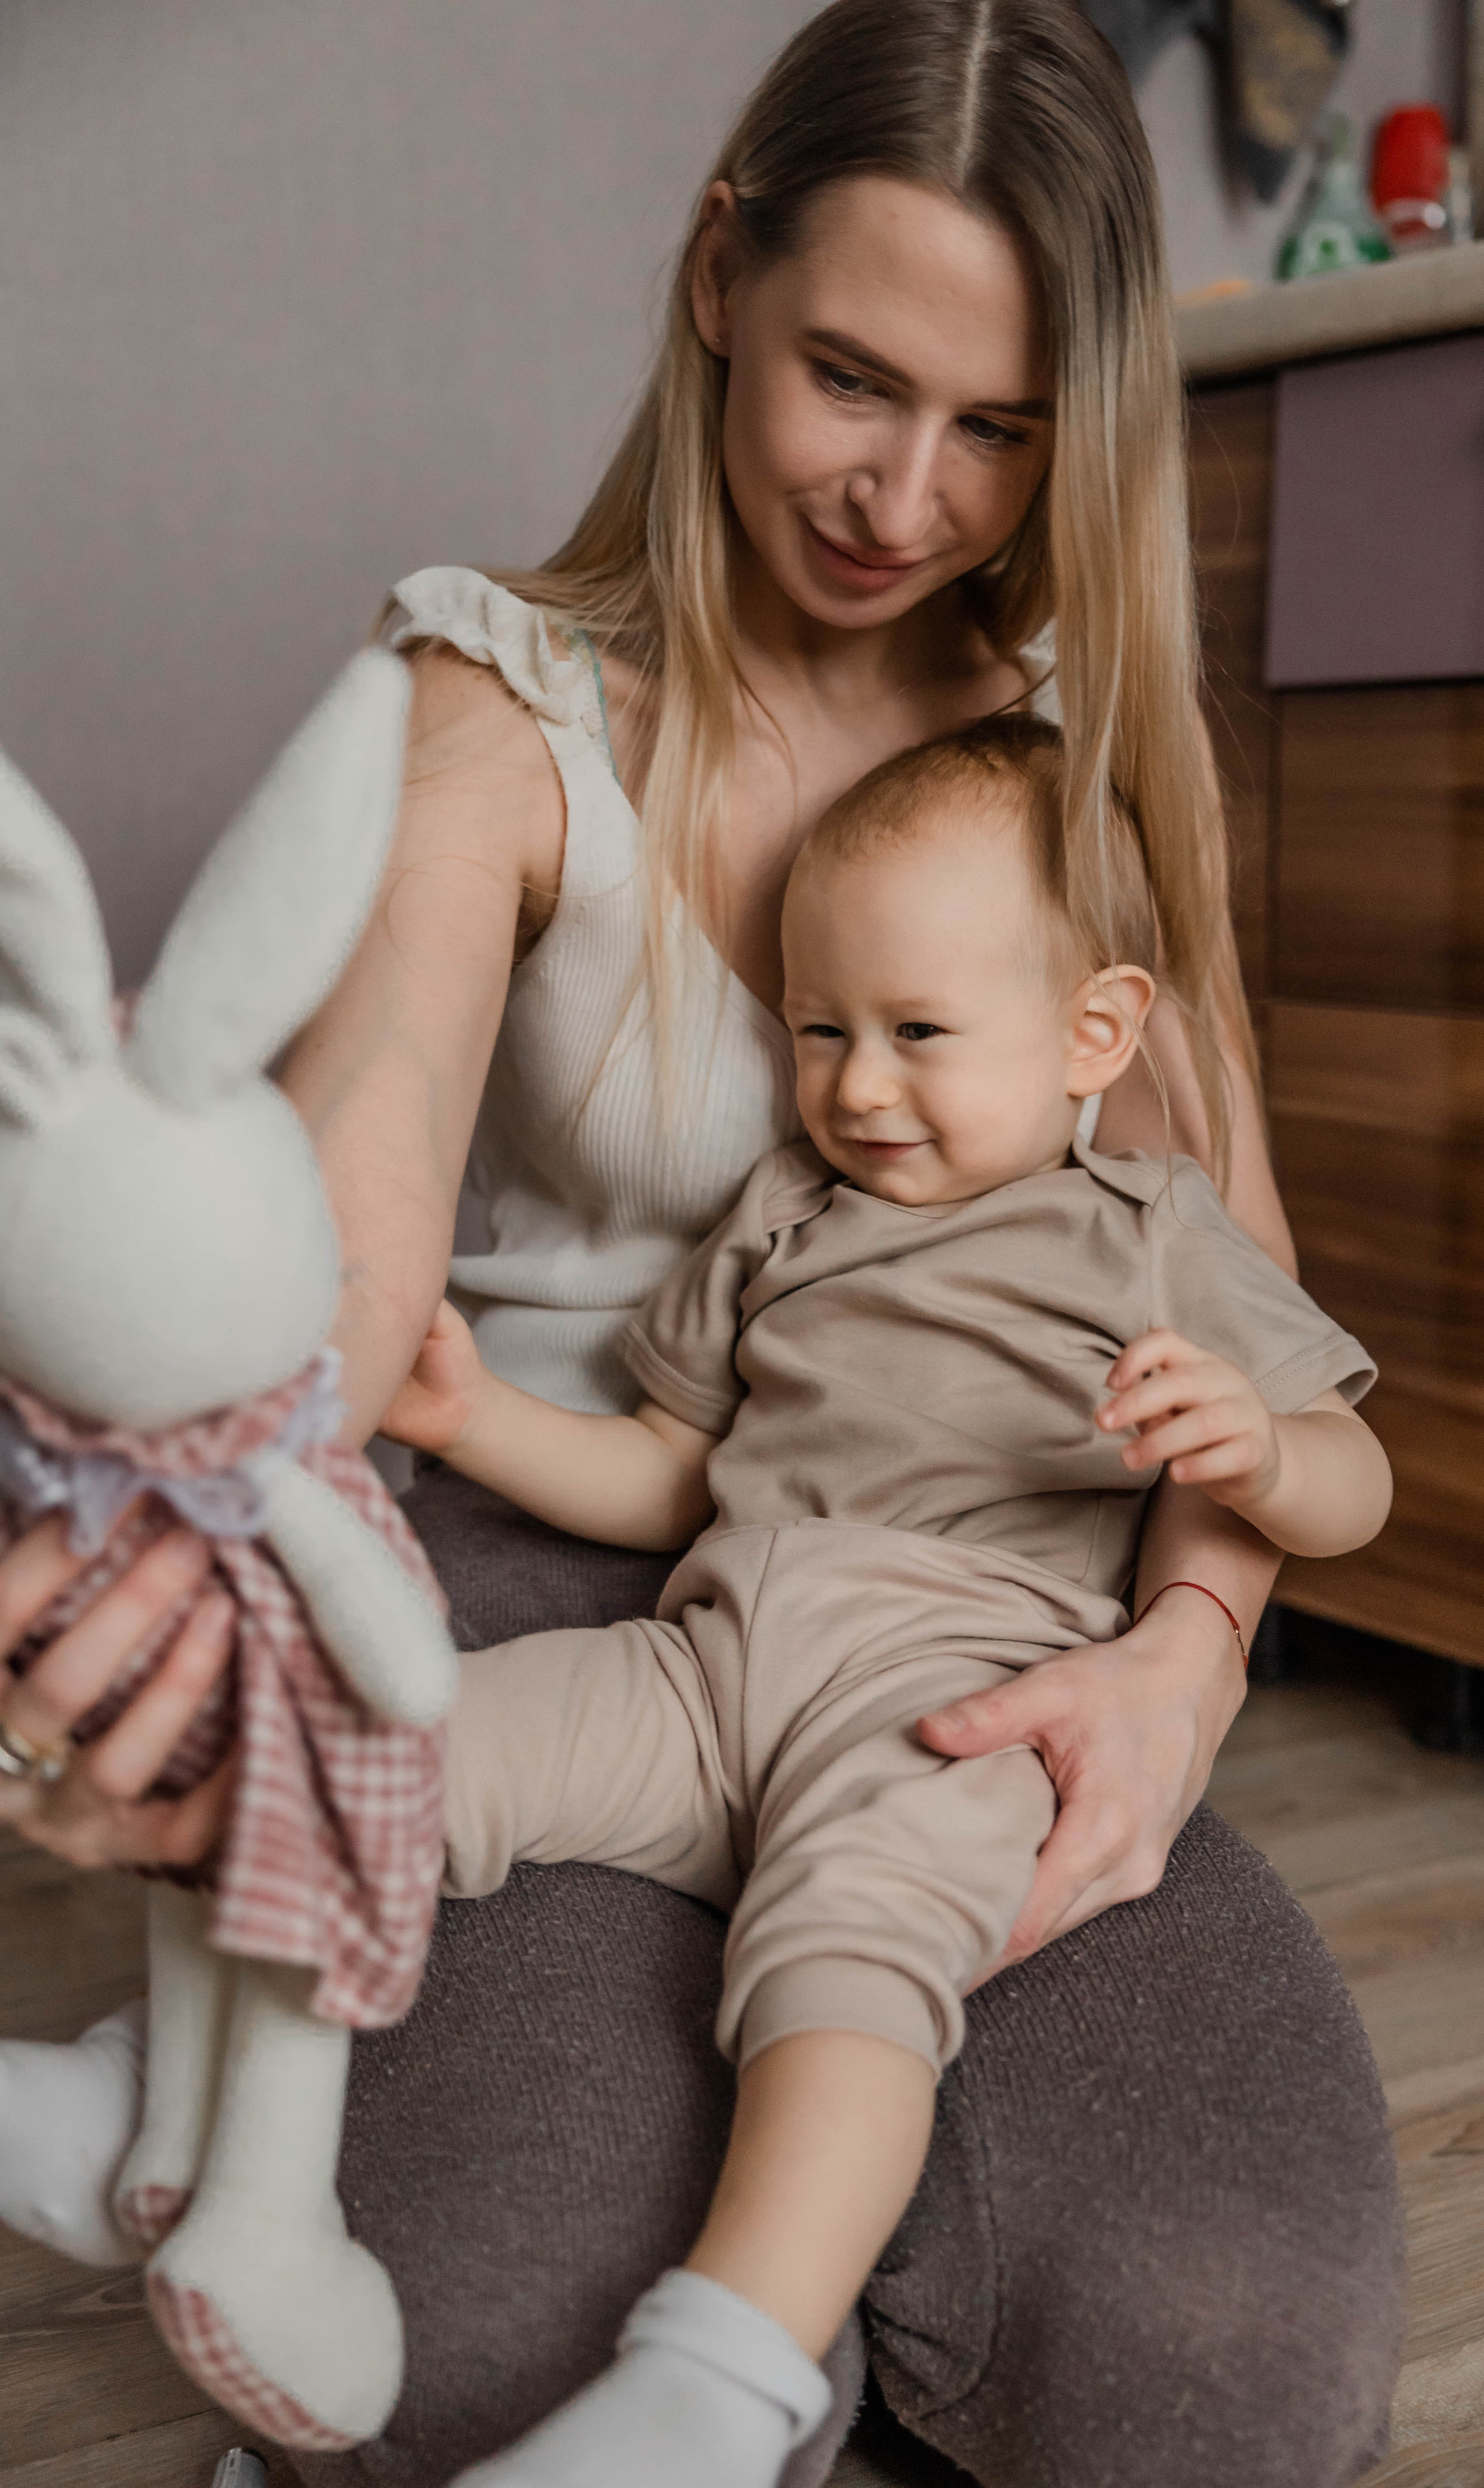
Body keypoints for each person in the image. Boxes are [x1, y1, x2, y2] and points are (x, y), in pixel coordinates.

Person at [0, 5, 1407, 2483]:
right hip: (570, 1554)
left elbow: (1248, 1327)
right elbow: (363, 1198)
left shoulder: (1078, 777)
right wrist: (210, 1561)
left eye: (999, 428)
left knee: (1233, 2371)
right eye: (855, 378)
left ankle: (783, 2297)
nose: (907, 493)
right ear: (719, 278)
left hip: (980, 1626)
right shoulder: (494, 699)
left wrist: (1180, 1667)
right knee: (453, 2349)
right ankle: (285, 2153)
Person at [366, 715, 1394, 2488]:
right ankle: (172, 2081)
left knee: (849, 1947)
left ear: (1096, 1032)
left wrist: (1258, 1452)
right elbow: (669, 1473)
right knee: (420, 1753)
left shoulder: (1145, 1230)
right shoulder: (789, 1215)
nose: (855, 1087)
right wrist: (479, 1418)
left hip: (955, 1692)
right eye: (822, 1030)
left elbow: (1358, 1481)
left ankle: (723, 2370)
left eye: (918, 1034)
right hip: (710, 1652)